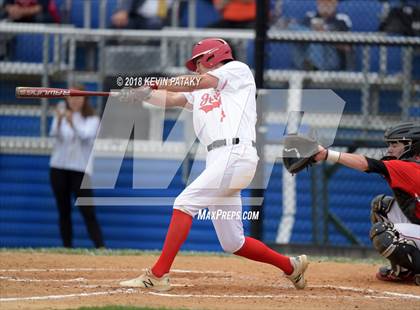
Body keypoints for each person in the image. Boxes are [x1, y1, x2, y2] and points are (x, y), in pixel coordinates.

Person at [118, 38, 309, 291]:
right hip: (220, 159)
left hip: (235, 152)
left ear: (212, 57)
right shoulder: (201, 92)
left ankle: (157, 274)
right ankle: (290, 266)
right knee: (233, 242)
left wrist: (153, 82)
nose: (195, 68)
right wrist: (143, 95)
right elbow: (172, 99)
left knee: (184, 204)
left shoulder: (236, 71)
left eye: (197, 62)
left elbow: (199, 81)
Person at [313, 122, 420, 285]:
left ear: (412, 146)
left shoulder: (408, 167)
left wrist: (326, 154)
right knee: (382, 206)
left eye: (395, 144)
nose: (390, 149)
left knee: (385, 234)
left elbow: (367, 164)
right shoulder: (411, 166)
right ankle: (405, 272)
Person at [49, 85, 105, 249]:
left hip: (80, 170)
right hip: (58, 168)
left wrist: (71, 121)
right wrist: (59, 120)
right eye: (71, 97)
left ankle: (100, 247)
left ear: (85, 99)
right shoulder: (61, 114)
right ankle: (67, 247)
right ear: (67, 98)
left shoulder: (92, 119)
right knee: (63, 210)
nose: (74, 101)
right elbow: (54, 134)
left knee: (87, 211)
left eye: (78, 97)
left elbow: (85, 135)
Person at [289, 0, 352, 71]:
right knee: (295, 28)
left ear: (335, 3)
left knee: (317, 34)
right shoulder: (309, 16)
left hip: (331, 59)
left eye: (328, 2)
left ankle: (314, 67)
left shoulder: (341, 19)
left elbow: (347, 47)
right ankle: (307, 66)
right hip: (307, 55)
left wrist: (325, 33)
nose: (324, 5)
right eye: (322, 2)